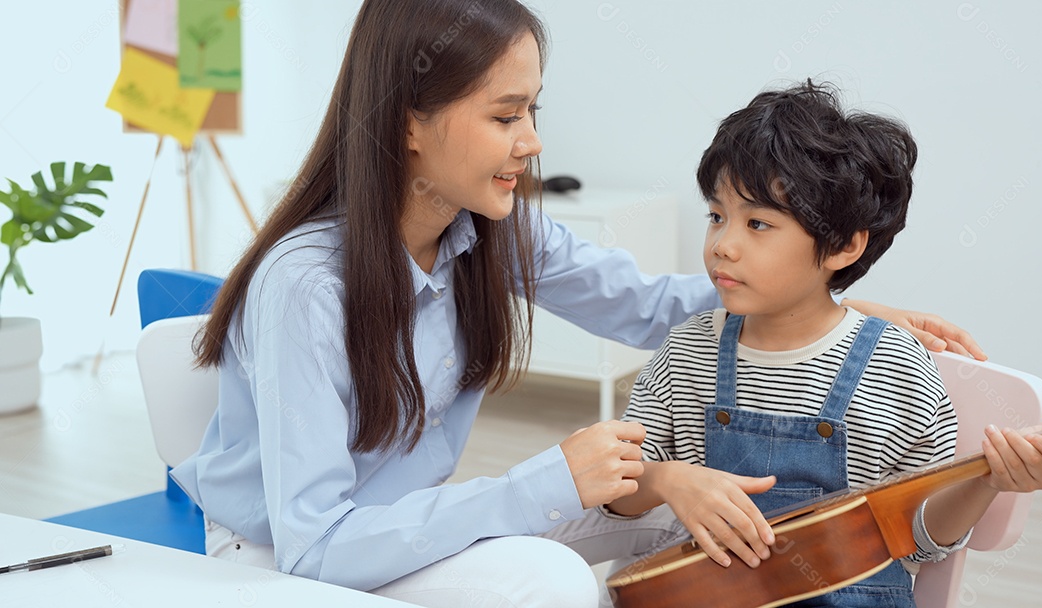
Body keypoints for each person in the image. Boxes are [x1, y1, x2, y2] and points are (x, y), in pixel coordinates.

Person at [170, 1, 989, 605]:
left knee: (700, 524)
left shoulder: (493, 231)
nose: (531, 141)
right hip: (289, 560)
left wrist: (825, 303)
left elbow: (650, 306)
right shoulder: (308, 285)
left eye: (533, 110)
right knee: (553, 582)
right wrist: (547, 479)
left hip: (414, 522)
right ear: (409, 123)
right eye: (504, 114)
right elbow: (316, 547)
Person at [604, 80, 1042, 607]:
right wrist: (667, 480)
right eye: (717, 216)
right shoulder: (687, 353)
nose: (722, 245)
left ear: (843, 246)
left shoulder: (898, 369)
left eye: (758, 223)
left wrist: (989, 481)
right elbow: (619, 497)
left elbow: (921, 545)